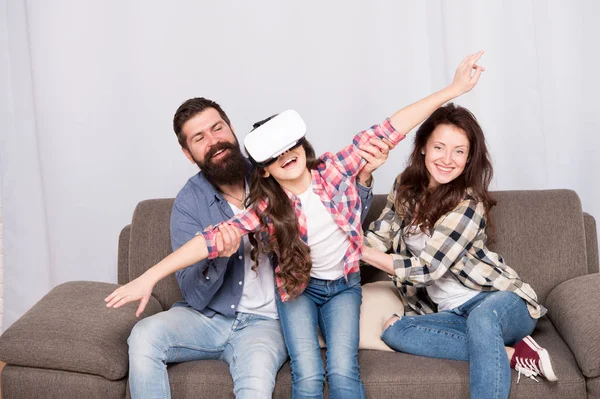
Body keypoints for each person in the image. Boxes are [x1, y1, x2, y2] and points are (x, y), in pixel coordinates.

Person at [105, 51, 485, 399]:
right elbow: (204, 243)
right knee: (306, 376)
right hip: (297, 291)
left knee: (342, 372)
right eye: (274, 153)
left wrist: (453, 89)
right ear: (264, 168)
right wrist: (148, 278)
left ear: (304, 146)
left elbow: (390, 127)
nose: (286, 154)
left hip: (342, 288)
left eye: (292, 145)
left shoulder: (335, 171)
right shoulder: (266, 206)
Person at [122, 97, 389, 399]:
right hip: (208, 318)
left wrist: (363, 179)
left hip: (265, 324)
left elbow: (338, 215)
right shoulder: (188, 203)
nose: (214, 141)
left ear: (232, 129)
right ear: (188, 153)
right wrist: (217, 259)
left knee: (256, 389)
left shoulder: (275, 169)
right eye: (200, 138)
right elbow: (193, 293)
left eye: (217, 128)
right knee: (143, 336)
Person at [361, 102, 557, 399]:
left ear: (468, 159)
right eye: (439, 147)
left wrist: (358, 252)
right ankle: (513, 354)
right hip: (452, 313)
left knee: (482, 318)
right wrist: (345, 244)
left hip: (499, 302)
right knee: (394, 330)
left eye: (459, 151)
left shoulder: (468, 202)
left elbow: (427, 270)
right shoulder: (405, 187)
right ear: (423, 147)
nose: (447, 159)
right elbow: (377, 237)